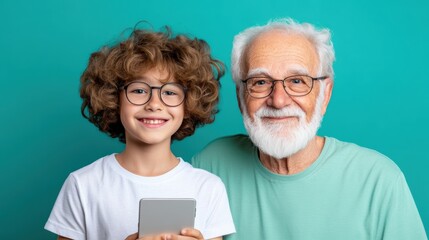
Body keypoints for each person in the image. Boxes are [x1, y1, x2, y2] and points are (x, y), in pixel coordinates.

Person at [192, 18, 427, 239]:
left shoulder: (379, 181)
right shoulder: (210, 167)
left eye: (297, 81)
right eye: (260, 82)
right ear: (240, 97)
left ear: (325, 95)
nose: (279, 100)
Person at [45, 25, 235, 240]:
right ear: (114, 99)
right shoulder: (83, 184)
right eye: (138, 90)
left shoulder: (208, 187)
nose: (154, 104)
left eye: (170, 92)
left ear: (189, 104)